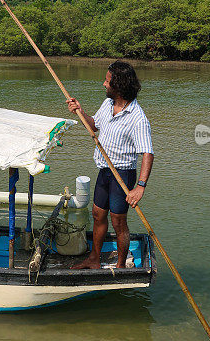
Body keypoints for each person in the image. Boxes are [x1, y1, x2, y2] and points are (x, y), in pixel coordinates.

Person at [66, 61, 154, 269]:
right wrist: (79, 112)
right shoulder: (108, 104)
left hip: (123, 174)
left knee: (118, 222)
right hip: (105, 172)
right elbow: (94, 125)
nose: (103, 84)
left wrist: (140, 186)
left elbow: (148, 153)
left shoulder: (138, 118)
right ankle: (94, 259)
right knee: (97, 215)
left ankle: (121, 266)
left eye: (107, 81)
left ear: (119, 85)